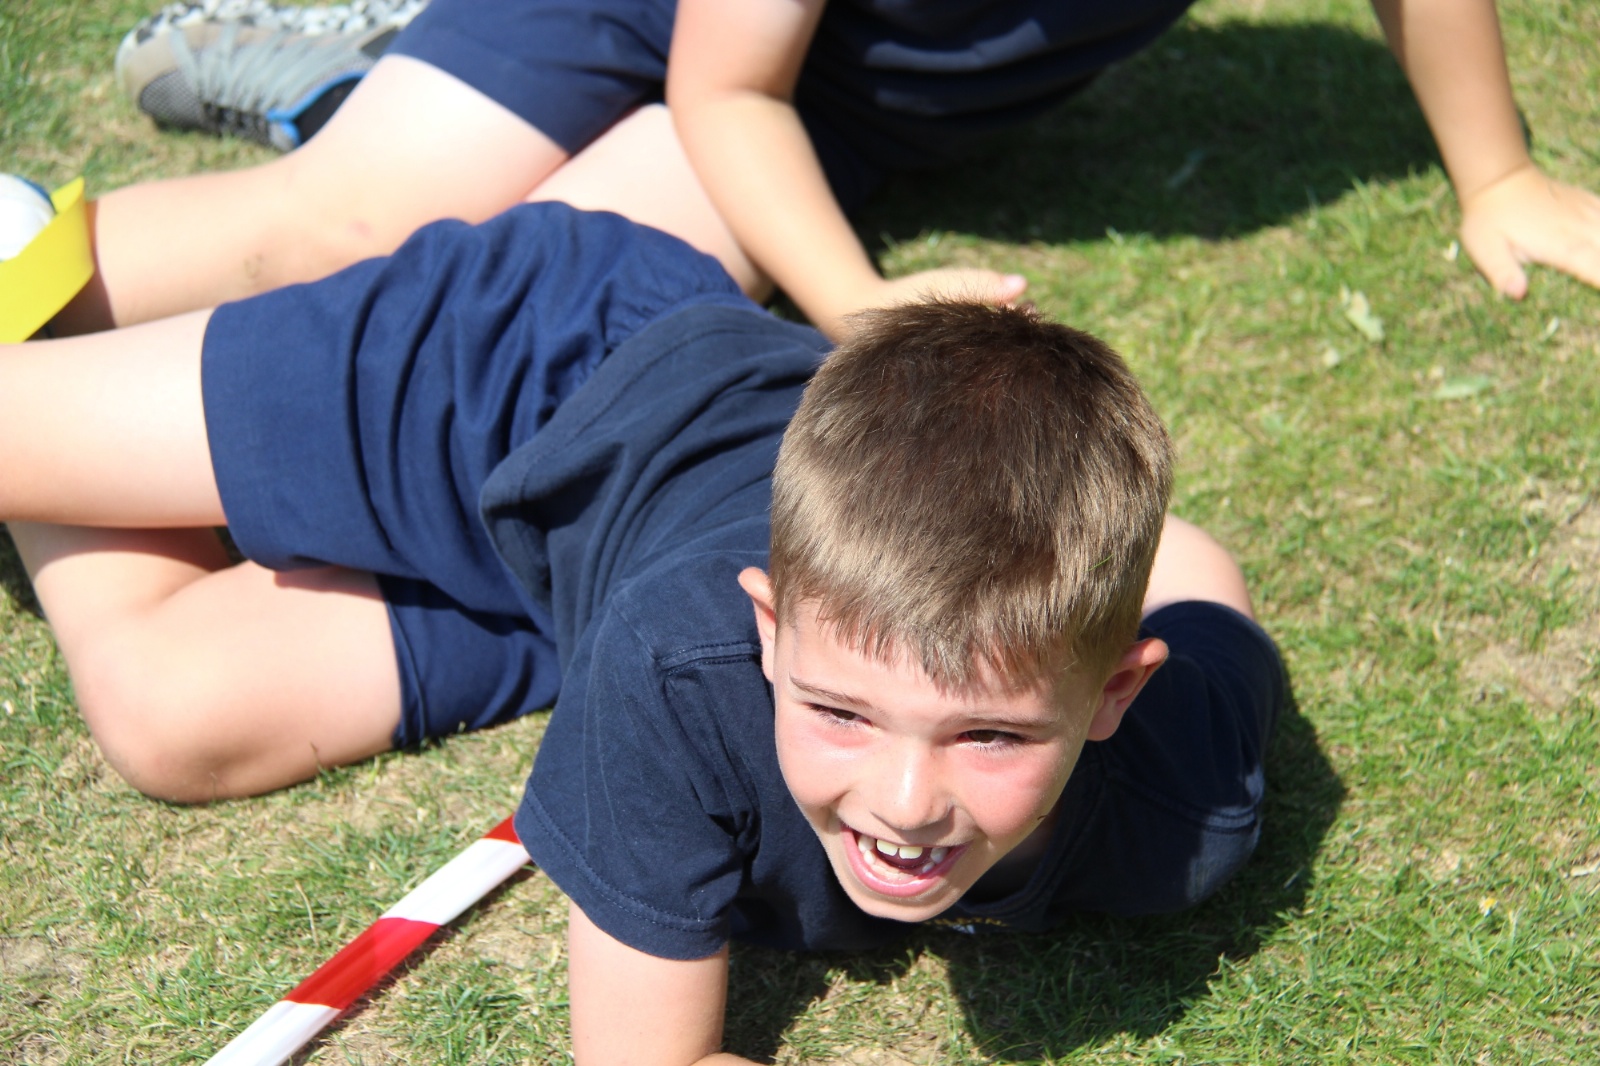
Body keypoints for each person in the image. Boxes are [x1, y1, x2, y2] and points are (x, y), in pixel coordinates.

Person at [2, 203, 1282, 1062]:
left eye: (989, 733)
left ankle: (51, 335)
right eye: (842, 710)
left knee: (170, 721)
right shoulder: (684, 668)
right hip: (527, 374)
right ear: (767, 629)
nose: (905, 800)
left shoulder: (1183, 807)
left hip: (599, 585)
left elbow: (1197, 566)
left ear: (1114, 691)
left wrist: (1068, 578)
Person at [62, 0, 1600, 339]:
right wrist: (855, 301)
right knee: (340, 227)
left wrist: (1499, 179)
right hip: (663, 26)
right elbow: (723, 82)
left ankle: (351, 78)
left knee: (509, 308)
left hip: (821, 110)